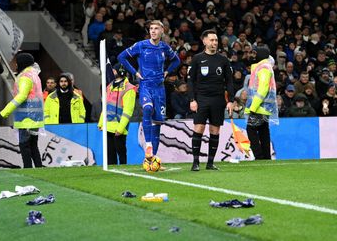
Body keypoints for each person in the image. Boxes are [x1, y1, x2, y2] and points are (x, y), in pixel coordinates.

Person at [118, 20, 180, 160]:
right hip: (145, 86)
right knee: (147, 109)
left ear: (162, 31)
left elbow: (176, 60)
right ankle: (148, 145)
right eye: (151, 28)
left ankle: (152, 159)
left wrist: (167, 72)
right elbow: (121, 57)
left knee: (157, 124)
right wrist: (135, 72)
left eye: (156, 28)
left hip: (160, 89)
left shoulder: (164, 47)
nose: (153, 31)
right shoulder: (141, 45)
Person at [187, 29, 234, 171]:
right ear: (204, 41)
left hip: (218, 100)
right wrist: (192, 100)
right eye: (211, 40)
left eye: (216, 40)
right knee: (199, 128)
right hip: (201, 99)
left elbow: (230, 81)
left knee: (215, 130)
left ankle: (210, 162)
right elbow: (190, 81)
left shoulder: (223, 60)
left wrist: (231, 100)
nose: (214, 43)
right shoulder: (197, 59)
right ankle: (195, 163)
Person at [0, 53, 44, 168]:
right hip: (36, 116)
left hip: (26, 117)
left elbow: (22, 96)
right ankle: (39, 168)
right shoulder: (34, 74)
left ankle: (28, 169)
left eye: (16, 62)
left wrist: (5, 111)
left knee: (24, 145)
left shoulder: (25, 77)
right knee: (33, 145)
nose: (15, 64)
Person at [245, 46, 278, 160]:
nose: (252, 56)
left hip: (259, 106)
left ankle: (259, 156)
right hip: (265, 106)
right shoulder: (263, 67)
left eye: (254, 53)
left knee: (251, 129)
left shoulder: (263, 68)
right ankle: (266, 157)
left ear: (260, 55)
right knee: (263, 130)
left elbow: (263, 88)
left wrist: (253, 107)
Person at [98, 64, 136, 164]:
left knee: (121, 154)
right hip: (108, 126)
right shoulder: (109, 86)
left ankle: (124, 174)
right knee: (110, 156)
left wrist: (120, 128)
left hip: (119, 127)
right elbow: (105, 106)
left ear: (115, 71)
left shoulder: (129, 88)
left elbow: (128, 111)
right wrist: (101, 123)